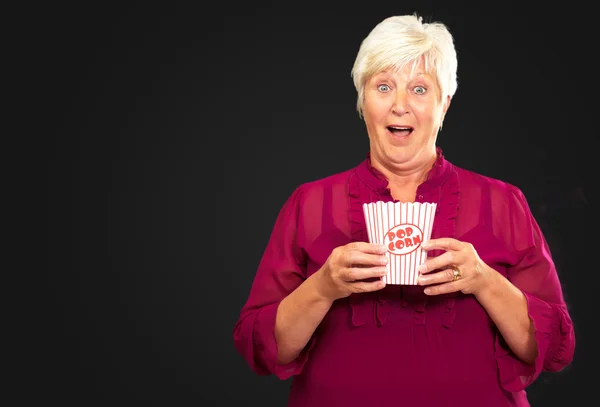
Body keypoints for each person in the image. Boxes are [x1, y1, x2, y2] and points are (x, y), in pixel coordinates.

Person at [232, 14, 575, 407]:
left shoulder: (503, 202)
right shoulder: (308, 204)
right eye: (383, 87)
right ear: (363, 99)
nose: (400, 107)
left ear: (444, 104)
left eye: (419, 89)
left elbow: (552, 350)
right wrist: (323, 286)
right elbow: (260, 346)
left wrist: (483, 280)